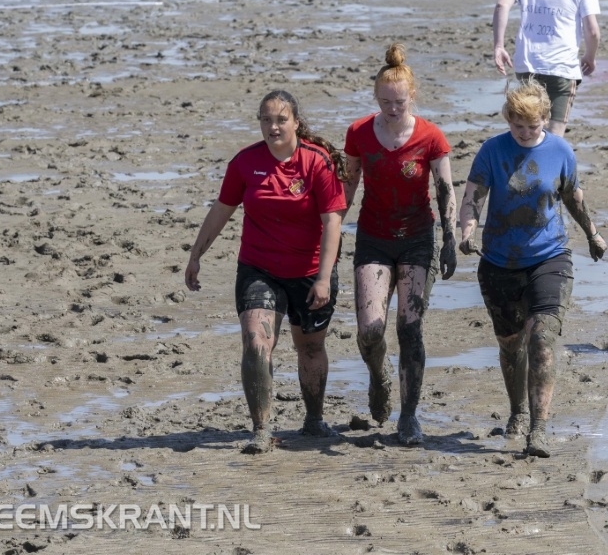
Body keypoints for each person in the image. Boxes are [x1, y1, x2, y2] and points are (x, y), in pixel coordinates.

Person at [184, 90, 346, 453]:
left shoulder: (317, 162)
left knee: (310, 347)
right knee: (256, 341)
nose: (273, 127)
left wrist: (324, 278)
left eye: (281, 120)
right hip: (259, 269)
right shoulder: (245, 162)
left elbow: (332, 223)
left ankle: (314, 420)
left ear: (296, 123)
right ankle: (261, 428)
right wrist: (196, 255)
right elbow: (221, 210)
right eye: (266, 120)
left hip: (309, 271)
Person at [458, 79, 607, 457]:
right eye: (517, 125)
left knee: (542, 338)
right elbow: (473, 196)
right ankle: (518, 412)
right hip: (499, 263)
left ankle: (538, 429)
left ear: (546, 119)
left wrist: (592, 233)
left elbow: (573, 197)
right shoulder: (492, 150)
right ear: (507, 118)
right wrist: (467, 230)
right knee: (511, 347)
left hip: (549, 257)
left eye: (533, 125)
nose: (524, 132)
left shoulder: (560, 150)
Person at [343, 43, 457, 446]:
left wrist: (450, 239)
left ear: (413, 96)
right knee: (370, 330)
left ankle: (409, 417)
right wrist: (329, 233)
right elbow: (348, 186)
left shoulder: (430, 136)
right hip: (373, 239)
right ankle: (379, 377)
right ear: (376, 97)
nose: (393, 108)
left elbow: (446, 189)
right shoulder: (358, 133)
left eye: (400, 101)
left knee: (410, 328)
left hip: (417, 240)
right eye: (386, 101)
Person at [492, 0, 601, 137]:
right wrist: (590, 56)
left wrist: (499, 45)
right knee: (554, 133)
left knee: (528, 128)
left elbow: (502, 4)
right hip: (562, 67)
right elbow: (593, 31)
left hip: (528, 64)